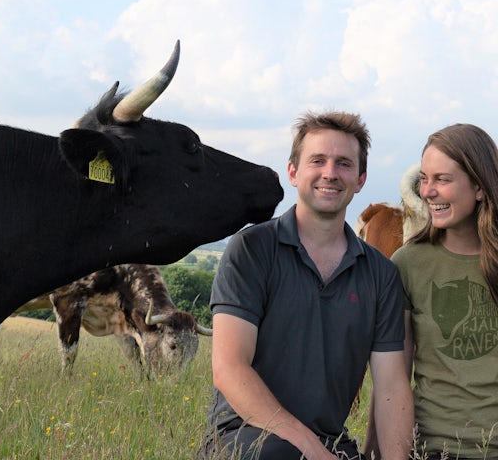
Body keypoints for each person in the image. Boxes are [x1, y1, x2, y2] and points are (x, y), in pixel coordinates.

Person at [200, 110, 414, 460]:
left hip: (330, 441)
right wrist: (310, 449)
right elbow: (229, 368)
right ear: (293, 172)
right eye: (318, 160)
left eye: (344, 164)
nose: (330, 173)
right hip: (245, 438)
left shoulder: (381, 274)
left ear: (360, 180)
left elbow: (390, 387)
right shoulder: (251, 250)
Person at [364, 123, 498, 460]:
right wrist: (373, 450)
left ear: (480, 187)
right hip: (435, 449)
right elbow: (393, 379)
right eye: (424, 179)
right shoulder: (409, 263)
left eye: (442, 179)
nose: (427, 191)